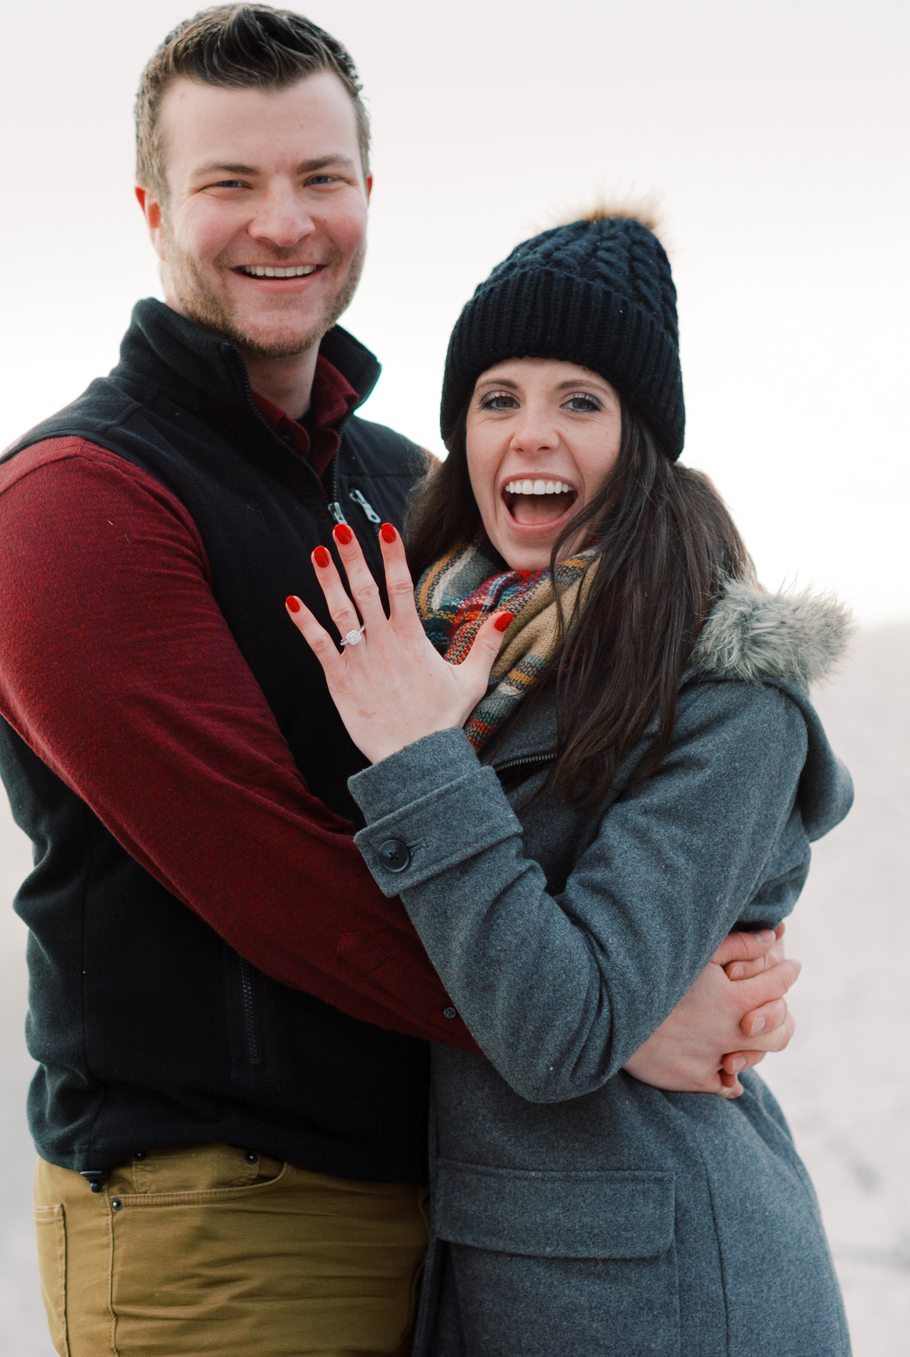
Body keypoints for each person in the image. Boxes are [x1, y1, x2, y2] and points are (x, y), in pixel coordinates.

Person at [0, 4, 803, 1357]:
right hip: (229, 1211)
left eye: (319, 178)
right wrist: (606, 1020)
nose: (282, 223)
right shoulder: (78, 510)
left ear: (365, 196)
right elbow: (275, 874)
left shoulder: (399, 490)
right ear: (154, 205)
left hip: (467, 1205)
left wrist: (673, 947)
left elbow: (584, 780)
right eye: (230, 183)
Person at [285, 208, 856, 1354]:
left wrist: (419, 758)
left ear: (640, 440)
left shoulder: (729, 707)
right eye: (497, 399)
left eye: (578, 402)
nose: (529, 436)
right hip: (503, 1266)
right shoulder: (438, 642)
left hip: (664, 1289)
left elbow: (556, 1031)